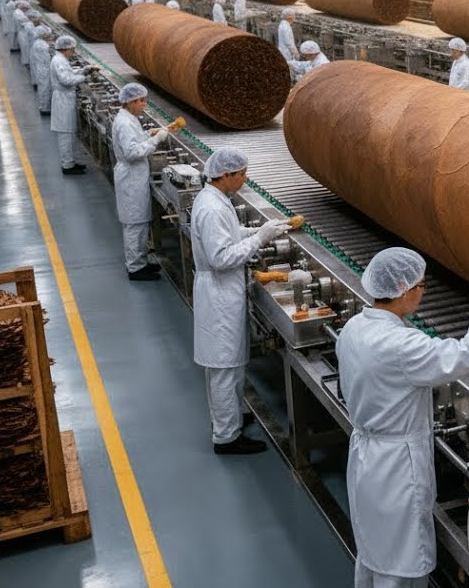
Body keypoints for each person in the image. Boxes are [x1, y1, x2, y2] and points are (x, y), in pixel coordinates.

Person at [338, 248, 469, 588]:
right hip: (396, 470)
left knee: (374, 553)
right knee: (400, 567)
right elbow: (467, 353)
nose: (423, 293)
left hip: (365, 459)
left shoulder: (354, 328)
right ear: (404, 289)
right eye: (422, 286)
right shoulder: (402, 345)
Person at [191, 147, 294, 454]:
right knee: (224, 366)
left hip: (221, 291)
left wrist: (260, 231)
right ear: (226, 175)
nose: (245, 179)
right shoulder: (211, 208)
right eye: (242, 174)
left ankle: (228, 418)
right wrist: (258, 240)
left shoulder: (215, 199)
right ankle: (226, 437)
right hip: (220, 292)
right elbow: (221, 257)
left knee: (227, 367)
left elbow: (227, 233)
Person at [112, 83, 176, 281]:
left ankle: (139, 262)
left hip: (135, 176)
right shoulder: (124, 123)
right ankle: (135, 269)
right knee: (134, 223)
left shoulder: (129, 118)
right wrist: (156, 141)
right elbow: (132, 152)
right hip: (131, 176)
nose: (144, 104)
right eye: (141, 101)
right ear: (130, 102)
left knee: (139, 221)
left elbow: (136, 139)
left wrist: (151, 133)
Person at [50, 35, 97, 175]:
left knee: (69, 133)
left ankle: (69, 162)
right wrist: (85, 78)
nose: (73, 52)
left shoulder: (61, 59)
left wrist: (83, 70)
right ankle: (67, 166)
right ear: (66, 48)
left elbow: (68, 74)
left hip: (65, 99)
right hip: (63, 100)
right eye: (72, 49)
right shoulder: (59, 61)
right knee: (66, 134)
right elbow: (66, 80)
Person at [30, 27, 54, 115]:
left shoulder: (38, 42)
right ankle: (45, 109)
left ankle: (44, 106)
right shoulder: (42, 45)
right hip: (44, 70)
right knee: (45, 89)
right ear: (44, 34)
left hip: (41, 68)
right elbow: (48, 59)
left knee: (43, 88)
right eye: (48, 33)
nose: (50, 35)